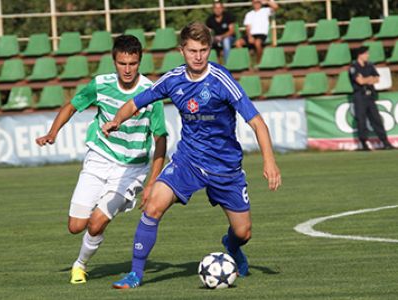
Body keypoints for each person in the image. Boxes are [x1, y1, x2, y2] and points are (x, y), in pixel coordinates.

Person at [102, 22, 281, 289]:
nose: (198, 56)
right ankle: (135, 275)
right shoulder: (173, 80)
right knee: (153, 207)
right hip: (189, 161)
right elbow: (135, 102)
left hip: (225, 167)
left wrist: (269, 161)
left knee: (243, 233)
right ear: (182, 50)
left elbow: (257, 122)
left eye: (204, 50)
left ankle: (231, 245)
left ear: (210, 50)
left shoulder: (221, 80)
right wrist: (116, 120)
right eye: (192, 50)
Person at [35, 35, 168, 284]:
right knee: (76, 226)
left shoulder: (151, 93)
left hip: (132, 169)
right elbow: (72, 106)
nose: (127, 69)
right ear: (114, 61)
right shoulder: (100, 84)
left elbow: (161, 139)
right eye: (122, 63)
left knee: (96, 224)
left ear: (140, 61)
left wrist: (152, 181)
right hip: (99, 158)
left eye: (133, 63)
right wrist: (53, 132)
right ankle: (82, 252)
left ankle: (80, 265)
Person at [349, 46, 394, 151]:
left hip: (370, 95)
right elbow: (360, 82)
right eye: (366, 53)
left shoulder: (370, 65)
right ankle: (364, 143)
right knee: (361, 119)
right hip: (360, 95)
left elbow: (377, 79)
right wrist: (369, 79)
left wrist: (367, 79)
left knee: (376, 119)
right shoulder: (354, 67)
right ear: (360, 55)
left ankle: (385, 142)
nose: (367, 55)